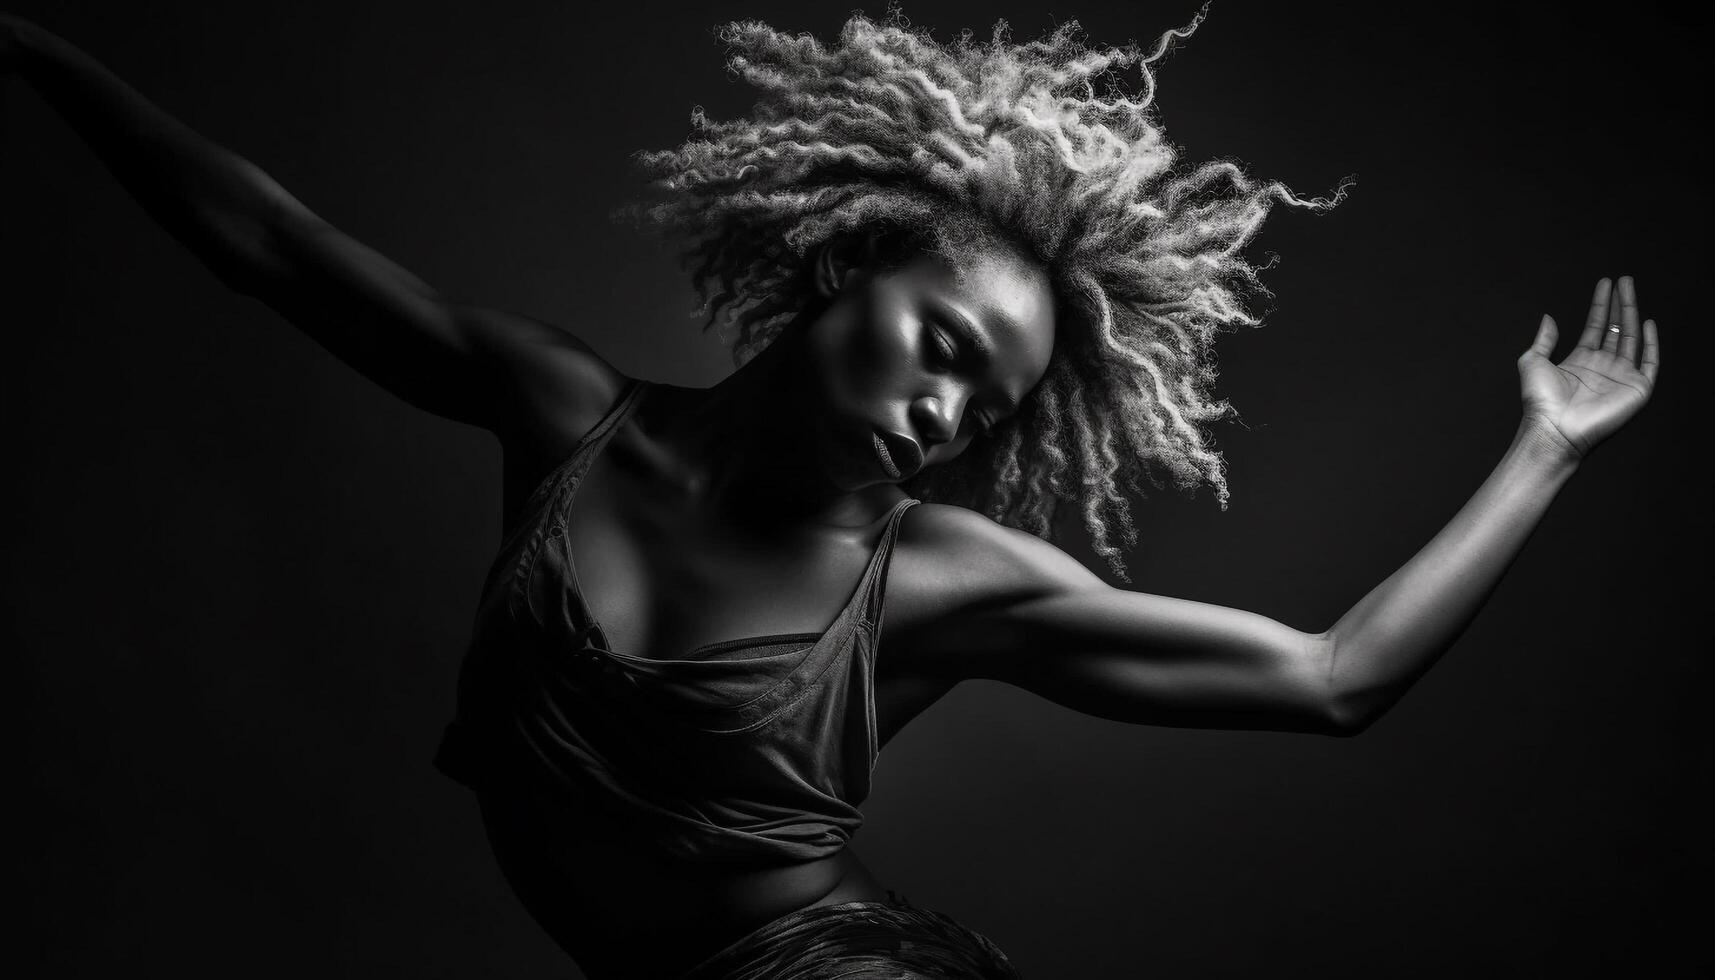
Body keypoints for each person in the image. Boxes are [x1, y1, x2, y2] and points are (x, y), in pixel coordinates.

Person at [2, 5, 1661, 978]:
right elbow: (270, 248)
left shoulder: (946, 585)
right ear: (849, 266)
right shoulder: (566, 410)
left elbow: (1332, 679)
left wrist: (1549, 445)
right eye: (939, 341)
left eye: (983, 400)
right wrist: (32, 47)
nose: (943, 410)